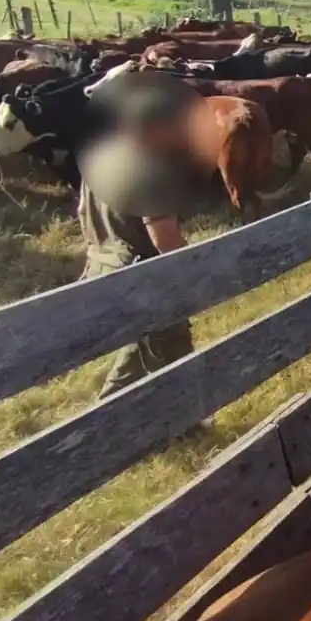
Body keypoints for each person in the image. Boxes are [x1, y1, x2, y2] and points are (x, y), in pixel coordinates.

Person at [78, 72, 207, 399]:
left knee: (143, 348)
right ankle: (119, 415)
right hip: (144, 278)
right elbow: (165, 239)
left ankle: (120, 410)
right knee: (169, 349)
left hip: (104, 268)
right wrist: (197, 275)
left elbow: (83, 214)